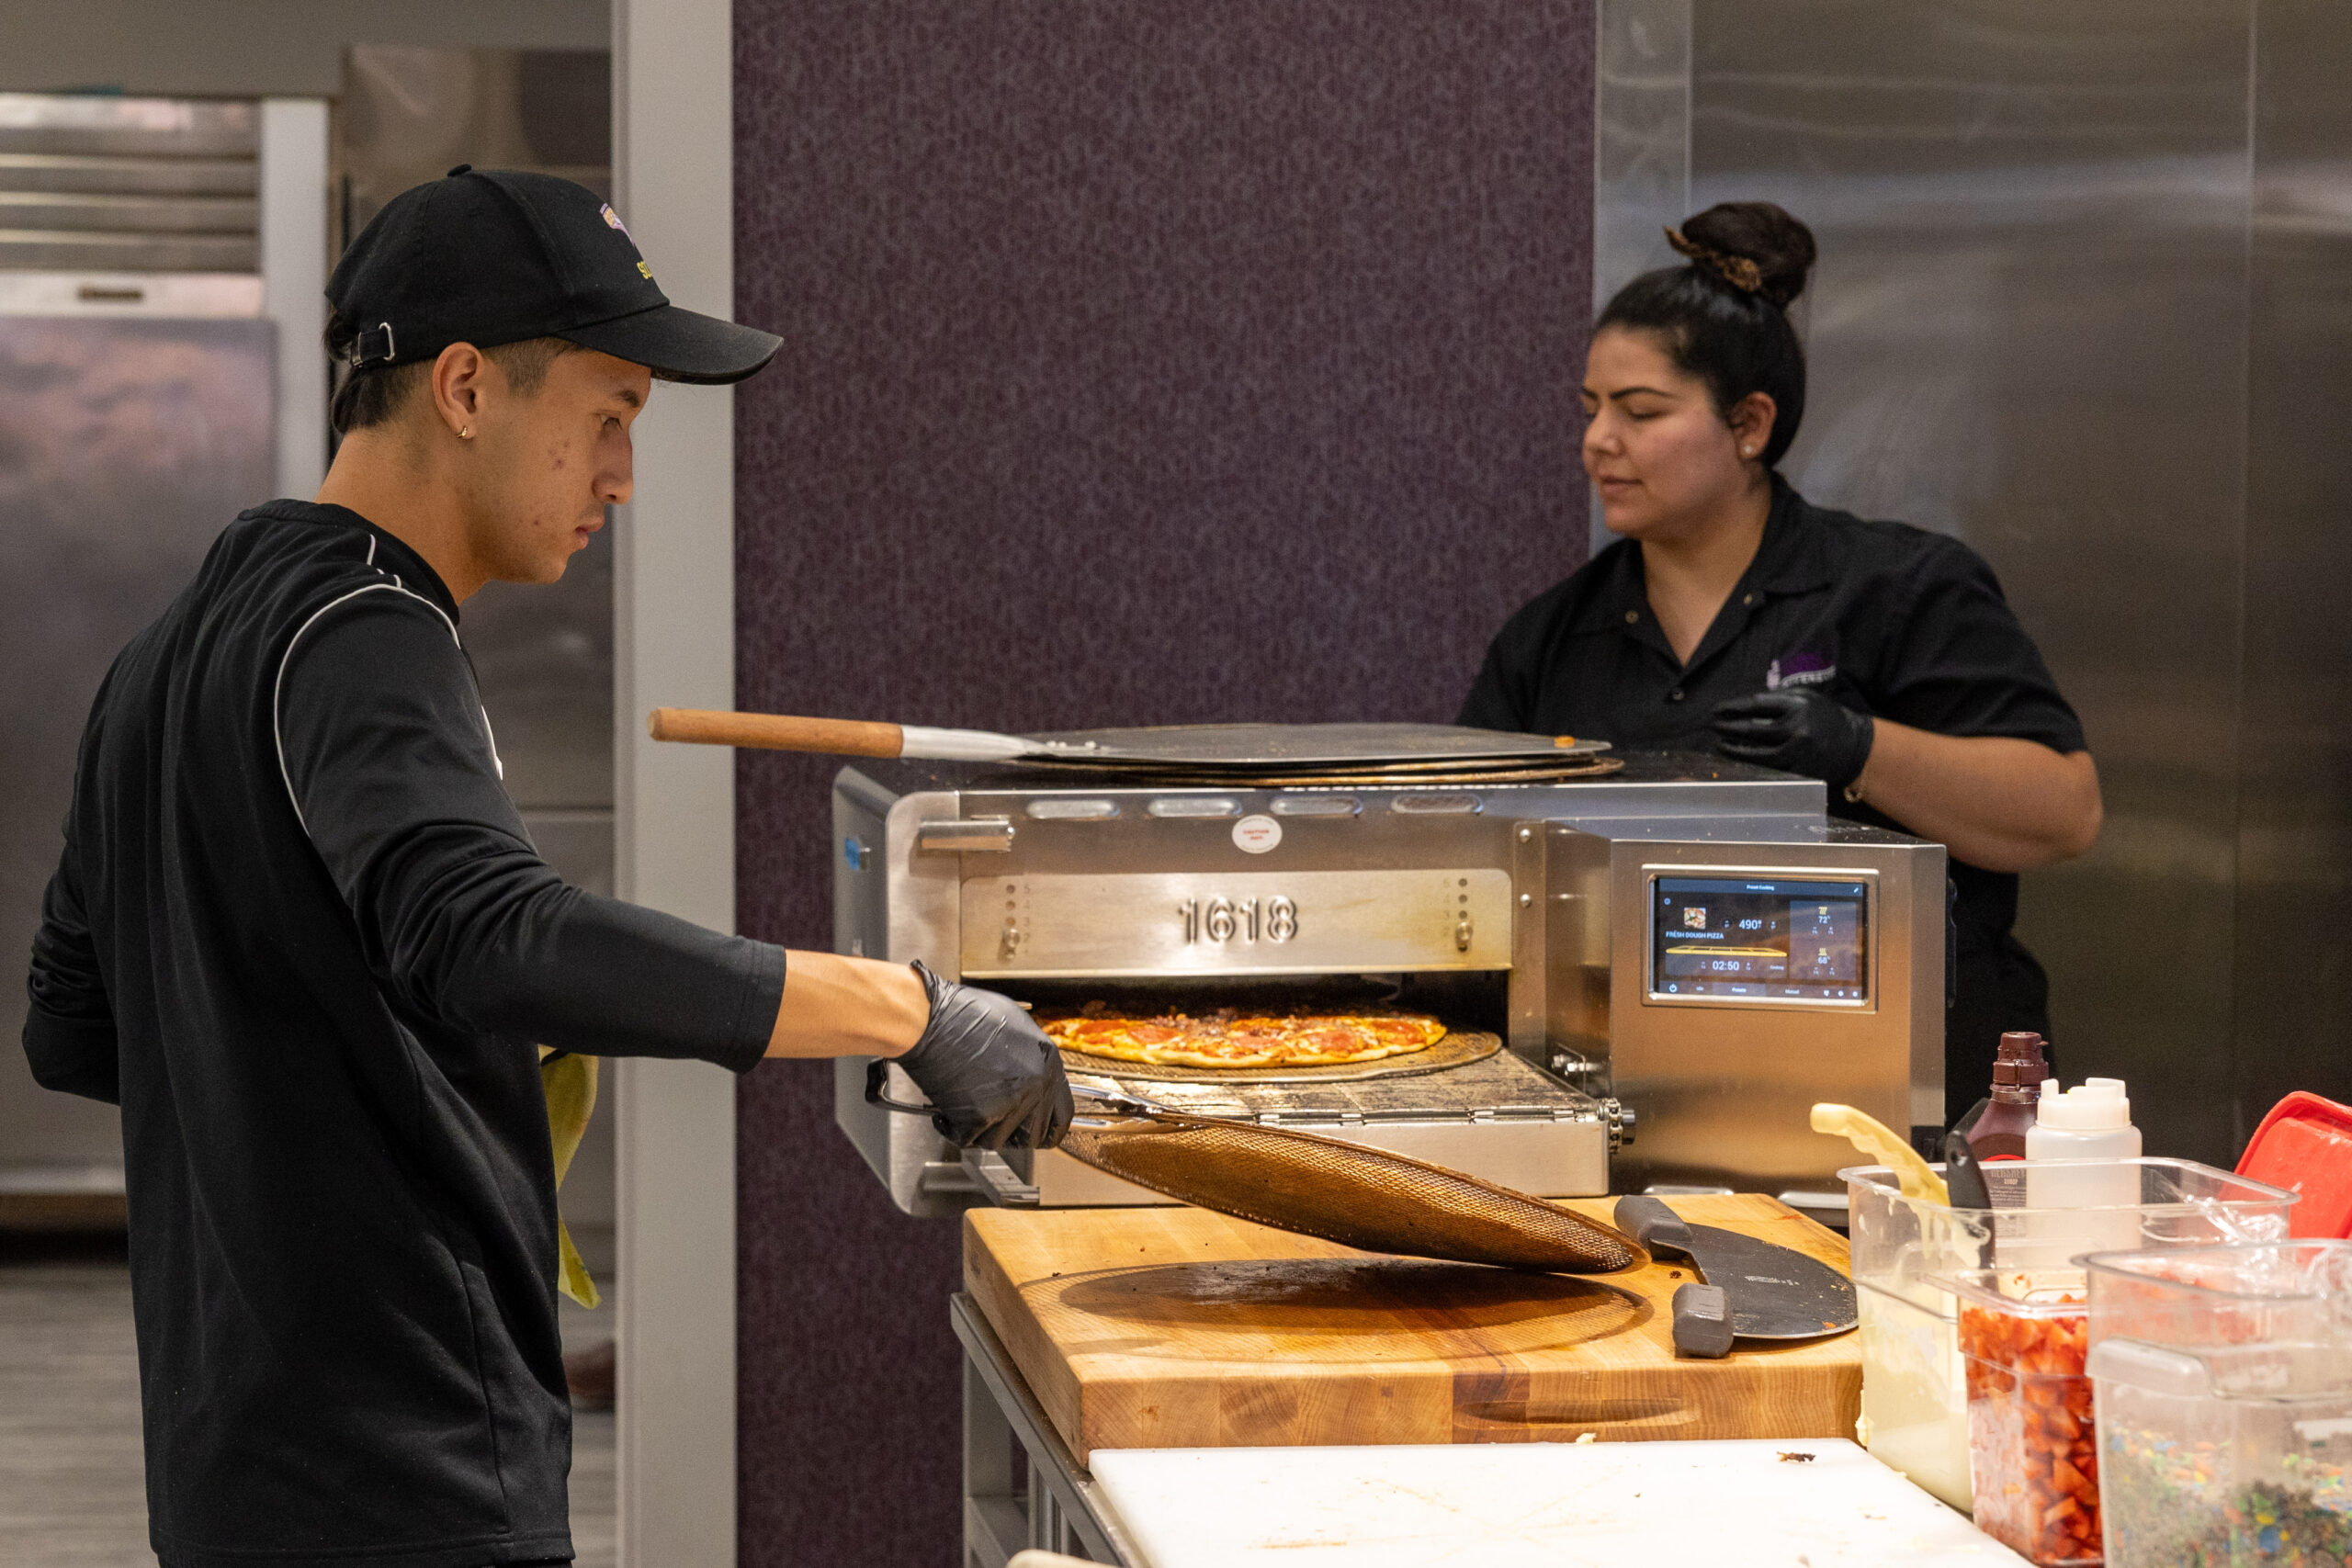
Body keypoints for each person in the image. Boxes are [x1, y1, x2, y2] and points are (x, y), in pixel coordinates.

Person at [19, 166, 1071, 1568]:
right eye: (610, 416)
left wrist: (362, 1046)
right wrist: (910, 1009)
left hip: (231, 1466)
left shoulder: (168, 651)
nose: (625, 476)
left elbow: (79, 1024)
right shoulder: (370, 627)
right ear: (464, 388)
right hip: (407, 1462)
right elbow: (485, 934)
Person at [1459, 201, 2102, 1129]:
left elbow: (2063, 810)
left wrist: (1859, 749)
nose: (1598, 441)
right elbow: (1477, 861)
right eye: (1592, 409)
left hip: (1907, 1098)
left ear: (1749, 425)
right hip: (1636, 1098)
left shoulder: (1898, 587)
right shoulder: (1552, 636)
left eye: (1640, 412)